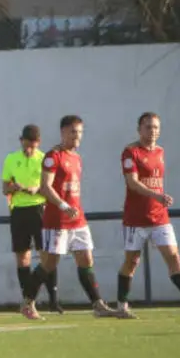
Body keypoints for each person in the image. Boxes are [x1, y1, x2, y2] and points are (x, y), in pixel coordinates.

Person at [115, 112, 180, 318]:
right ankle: (122, 304)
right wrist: (157, 195)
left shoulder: (160, 151)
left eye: (155, 128)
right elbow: (132, 182)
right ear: (139, 129)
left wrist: (159, 200)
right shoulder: (130, 152)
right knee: (132, 262)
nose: (152, 131)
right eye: (148, 127)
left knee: (173, 256)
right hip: (136, 219)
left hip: (159, 217)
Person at [37, 115, 118, 318]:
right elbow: (45, 187)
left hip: (77, 219)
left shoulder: (77, 158)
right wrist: (63, 205)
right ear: (63, 132)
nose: (77, 136)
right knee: (50, 263)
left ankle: (98, 304)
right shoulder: (53, 156)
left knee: (86, 258)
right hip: (58, 219)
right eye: (73, 131)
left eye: (80, 132)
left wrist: (72, 207)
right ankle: (28, 301)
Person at [2, 123, 57, 319]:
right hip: (19, 211)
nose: (28, 149)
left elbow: (49, 187)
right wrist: (14, 187)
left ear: (38, 143)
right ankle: (28, 301)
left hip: (39, 209)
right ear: (20, 141)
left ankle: (53, 299)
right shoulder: (11, 159)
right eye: (25, 144)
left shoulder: (45, 159)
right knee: (22, 257)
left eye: (32, 145)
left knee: (47, 257)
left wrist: (36, 189)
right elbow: (4, 187)